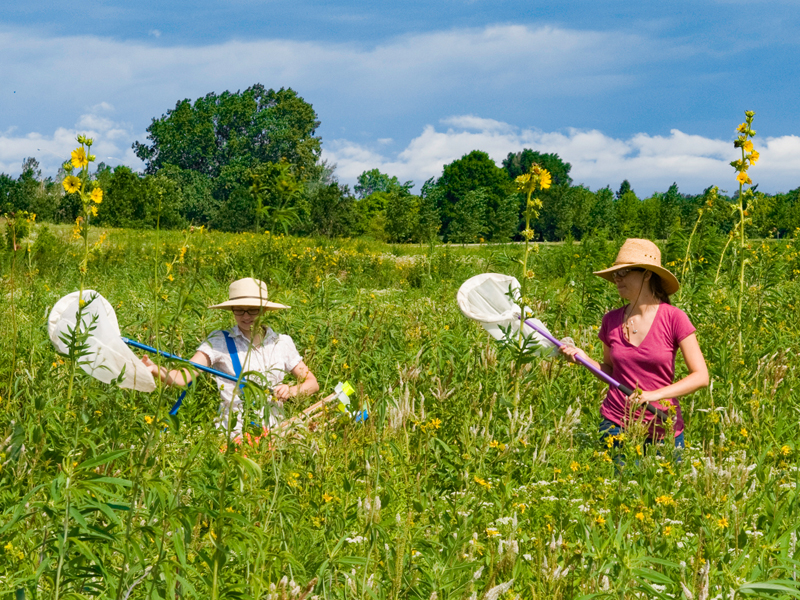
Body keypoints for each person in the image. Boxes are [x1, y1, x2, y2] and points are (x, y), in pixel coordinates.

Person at [559, 239, 708, 450]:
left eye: (624, 272)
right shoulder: (610, 320)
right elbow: (611, 371)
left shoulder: (674, 318)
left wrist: (652, 395)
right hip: (616, 424)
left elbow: (701, 376)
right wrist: (584, 358)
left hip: (661, 427)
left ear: (647, 274)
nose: (617, 278)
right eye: (615, 273)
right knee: (617, 482)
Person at [142, 277, 319, 433]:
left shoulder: (281, 342)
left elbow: (312, 383)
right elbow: (182, 377)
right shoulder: (219, 341)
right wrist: (154, 369)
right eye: (239, 310)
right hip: (233, 434)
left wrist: (292, 390)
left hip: (276, 433)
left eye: (252, 310)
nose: (246, 316)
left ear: (264, 310)